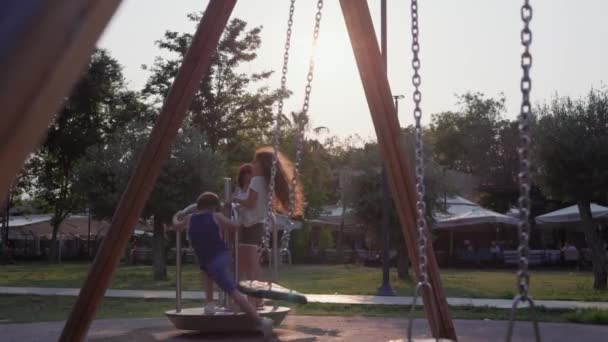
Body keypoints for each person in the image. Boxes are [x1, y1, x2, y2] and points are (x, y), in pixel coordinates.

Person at [173, 192, 273, 336]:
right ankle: (210, 305)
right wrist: (239, 214)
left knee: (233, 291)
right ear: (214, 207)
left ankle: (261, 322)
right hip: (216, 258)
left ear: (198, 206)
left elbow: (176, 226)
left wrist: (176, 215)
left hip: (213, 260)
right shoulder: (216, 216)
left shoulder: (189, 218)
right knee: (208, 275)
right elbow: (234, 226)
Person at [232, 147, 304, 304]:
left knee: (250, 265)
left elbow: (250, 203)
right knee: (245, 263)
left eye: (255, 161)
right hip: (256, 224)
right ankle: (249, 298)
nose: (252, 164)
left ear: (262, 164)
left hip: (251, 225)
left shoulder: (257, 181)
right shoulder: (266, 181)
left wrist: (235, 200)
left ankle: (256, 299)